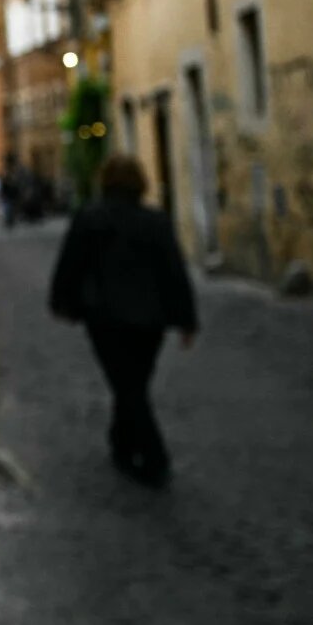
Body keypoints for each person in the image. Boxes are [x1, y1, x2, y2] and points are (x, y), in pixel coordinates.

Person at [48, 154, 199, 487]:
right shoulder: (156, 221)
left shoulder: (89, 218)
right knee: (133, 383)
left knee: (127, 385)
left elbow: (71, 265)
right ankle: (121, 442)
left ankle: (154, 456)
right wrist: (186, 321)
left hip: (105, 319)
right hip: (150, 321)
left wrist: (62, 303)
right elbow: (174, 271)